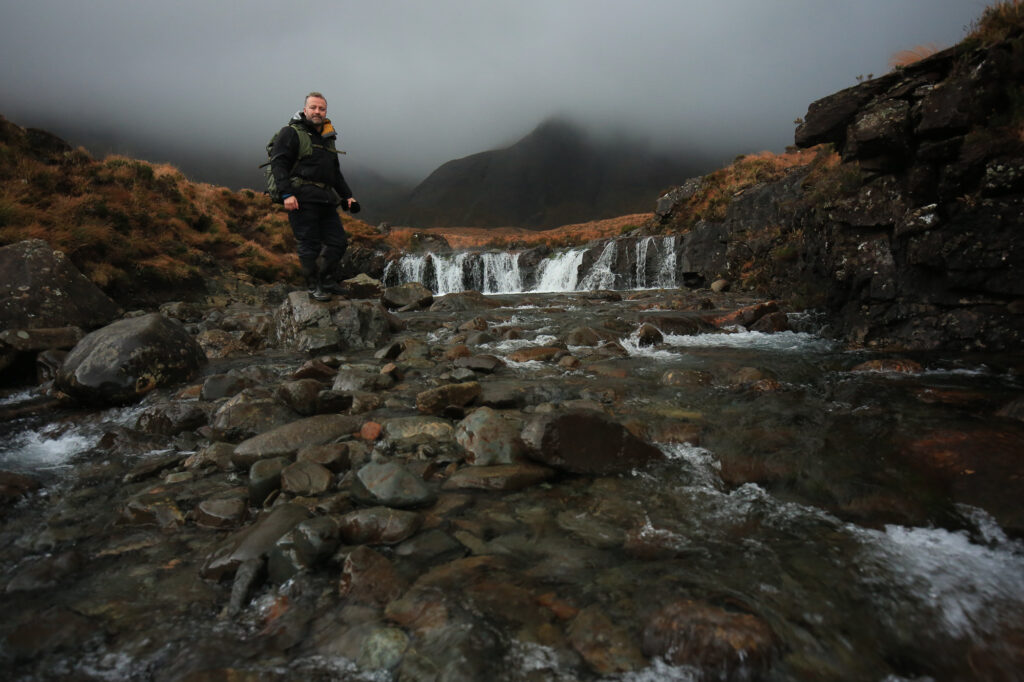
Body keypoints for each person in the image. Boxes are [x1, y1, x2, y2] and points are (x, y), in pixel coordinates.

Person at [270, 91, 358, 301]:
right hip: (301, 198)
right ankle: (312, 286)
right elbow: (278, 163)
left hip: (326, 199)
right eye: (313, 107)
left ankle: (326, 280)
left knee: (338, 242)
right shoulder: (290, 133)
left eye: (321, 108)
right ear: (305, 109)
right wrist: (287, 194)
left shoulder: (328, 138)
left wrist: (348, 196)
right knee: (309, 244)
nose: (317, 111)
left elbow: (334, 172)